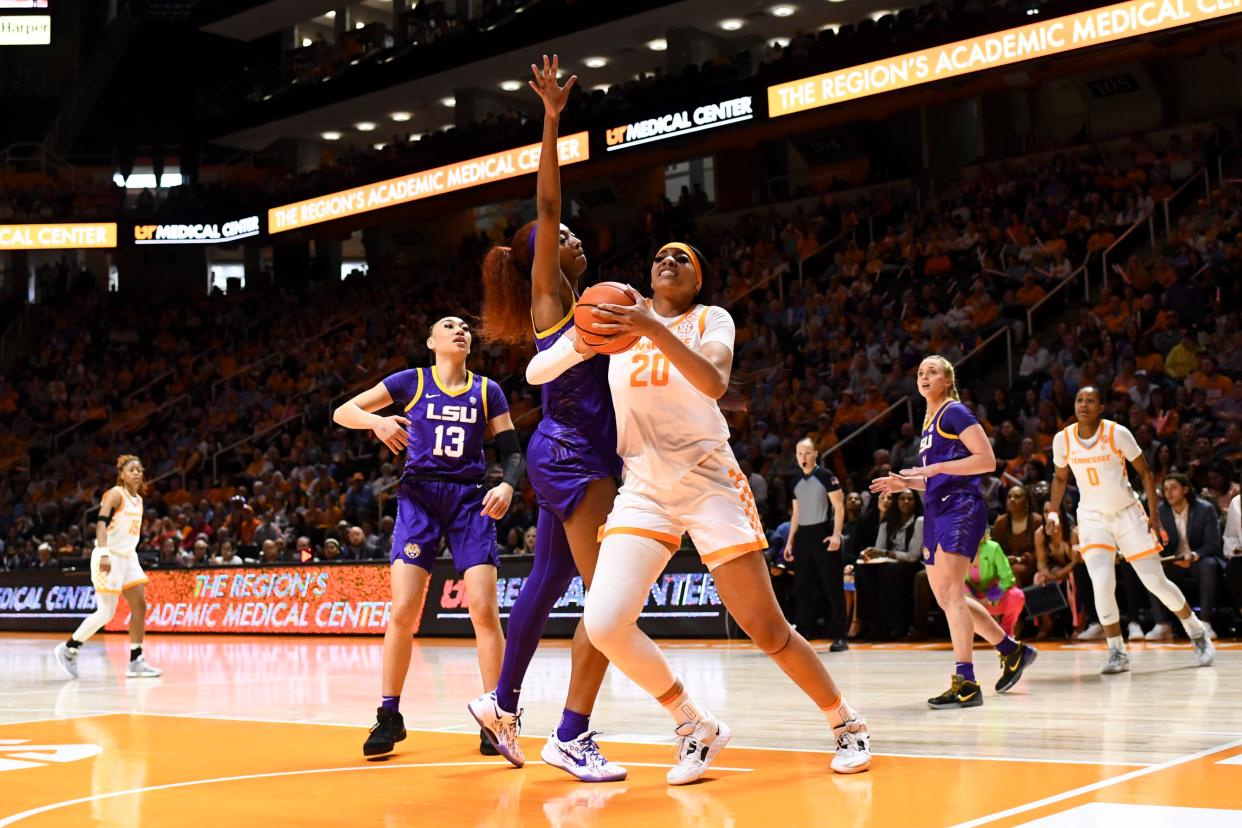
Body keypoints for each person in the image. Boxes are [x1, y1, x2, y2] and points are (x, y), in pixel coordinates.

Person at [527, 240, 870, 781]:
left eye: (682, 258)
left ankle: (846, 723)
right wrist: (585, 341)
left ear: (697, 279)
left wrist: (651, 329)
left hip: (708, 479)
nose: (668, 260)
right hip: (642, 485)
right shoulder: (618, 316)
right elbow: (536, 374)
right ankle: (693, 723)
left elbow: (712, 382)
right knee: (605, 621)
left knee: (767, 629)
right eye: (660, 254)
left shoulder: (712, 319)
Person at [471, 55, 625, 783]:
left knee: (545, 584)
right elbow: (546, 208)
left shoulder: (587, 306)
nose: (574, 239)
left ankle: (500, 702)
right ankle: (573, 731)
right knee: (611, 599)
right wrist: (552, 121)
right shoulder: (549, 300)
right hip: (574, 453)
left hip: (567, 449)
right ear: (542, 257)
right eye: (563, 240)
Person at [333, 315, 524, 758]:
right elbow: (343, 411)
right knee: (402, 609)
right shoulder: (411, 381)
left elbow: (513, 451)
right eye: (449, 326)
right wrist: (376, 423)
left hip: (468, 500)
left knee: (484, 610)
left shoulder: (486, 390)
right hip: (419, 497)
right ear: (431, 341)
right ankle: (388, 714)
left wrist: (507, 484)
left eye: (465, 327)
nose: (460, 330)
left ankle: (496, 716)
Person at [871, 356, 1036, 708]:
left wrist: (935, 468)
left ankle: (966, 682)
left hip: (961, 506)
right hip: (936, 509)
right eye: (919, 373)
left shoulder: (954, 412)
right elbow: (935, 477)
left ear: (948, 380)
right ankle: (1011, 650)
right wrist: (907, 483)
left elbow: (987, 460)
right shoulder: (929, 423)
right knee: (948, 597)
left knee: (950, 593)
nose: (924, 376)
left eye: (932, 371)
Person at [1046, 388, 1215, 674]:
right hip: (1092, 517)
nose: (1083, 405)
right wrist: (1052, 511)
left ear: (1101, 407)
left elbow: (1146, 473)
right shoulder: (1063, 439)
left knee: (1155, 582)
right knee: (1101, 583)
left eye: (1090, 401)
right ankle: (1117, 651)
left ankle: (1196, 631)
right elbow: (1060, 477)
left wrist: (1154, 516)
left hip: (1127, 514)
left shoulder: (1117, 433)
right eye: (1079, 400)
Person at [54, 455, 162, 679]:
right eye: (131, 469)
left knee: (140, 605)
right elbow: (101, 523)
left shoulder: (139, 500)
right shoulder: (115, 494)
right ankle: (69, 648)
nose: (137, 473)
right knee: (106, 613)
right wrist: (103, 552)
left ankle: (136, 660)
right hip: (109, 555)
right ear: (121, 474)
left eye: (139, 470)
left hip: (129, 557)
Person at [782, 438, 847, 650]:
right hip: (803, 536)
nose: (803, 457)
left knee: (832, 586)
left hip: (823, 533)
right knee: (803, 588)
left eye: (807, 453)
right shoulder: (795, 481)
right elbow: (796, 513)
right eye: (800, 453)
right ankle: (803, 634)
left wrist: (836, 535)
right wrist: (790, 542)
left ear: (816, 454)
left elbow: (839, 506)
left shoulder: (826, 476)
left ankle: (840, 636)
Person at [1153, 473, 1224, 641]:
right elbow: (1158, 543)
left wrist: (1194, 555)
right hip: (1174, 561)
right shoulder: (1160, 511)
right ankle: (1162, 625)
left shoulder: (1205, 509)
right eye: (1166, 489)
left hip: (1198, 559)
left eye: (1174, 488)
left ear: (1185, 489)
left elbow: (1213, 543)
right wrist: (1169, 558)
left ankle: (1205, 623)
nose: (1168, 493)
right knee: (1151, 571)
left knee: (1209, 565)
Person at [965, 532, 1026, 637]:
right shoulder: (955, 551)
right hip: (969, 599)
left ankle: (1006, 632)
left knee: (1017, 596)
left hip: (993, 598)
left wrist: (988, 598)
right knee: (953, 598)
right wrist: (971, 599)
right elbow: (954, 580)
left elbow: (1008, 578)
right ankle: (967, 634)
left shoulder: (993, 548)